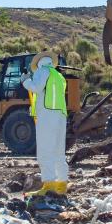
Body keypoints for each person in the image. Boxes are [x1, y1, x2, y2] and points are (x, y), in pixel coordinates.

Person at [21, 51, 69, 196]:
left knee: (45, 151)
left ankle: (49, 185)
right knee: (59, 152)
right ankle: (61, 185)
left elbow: (36, 88)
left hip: (47, 115)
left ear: (39, 63)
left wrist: (25, 80)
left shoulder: (42, 71)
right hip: (61, 115)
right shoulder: (59, 76)